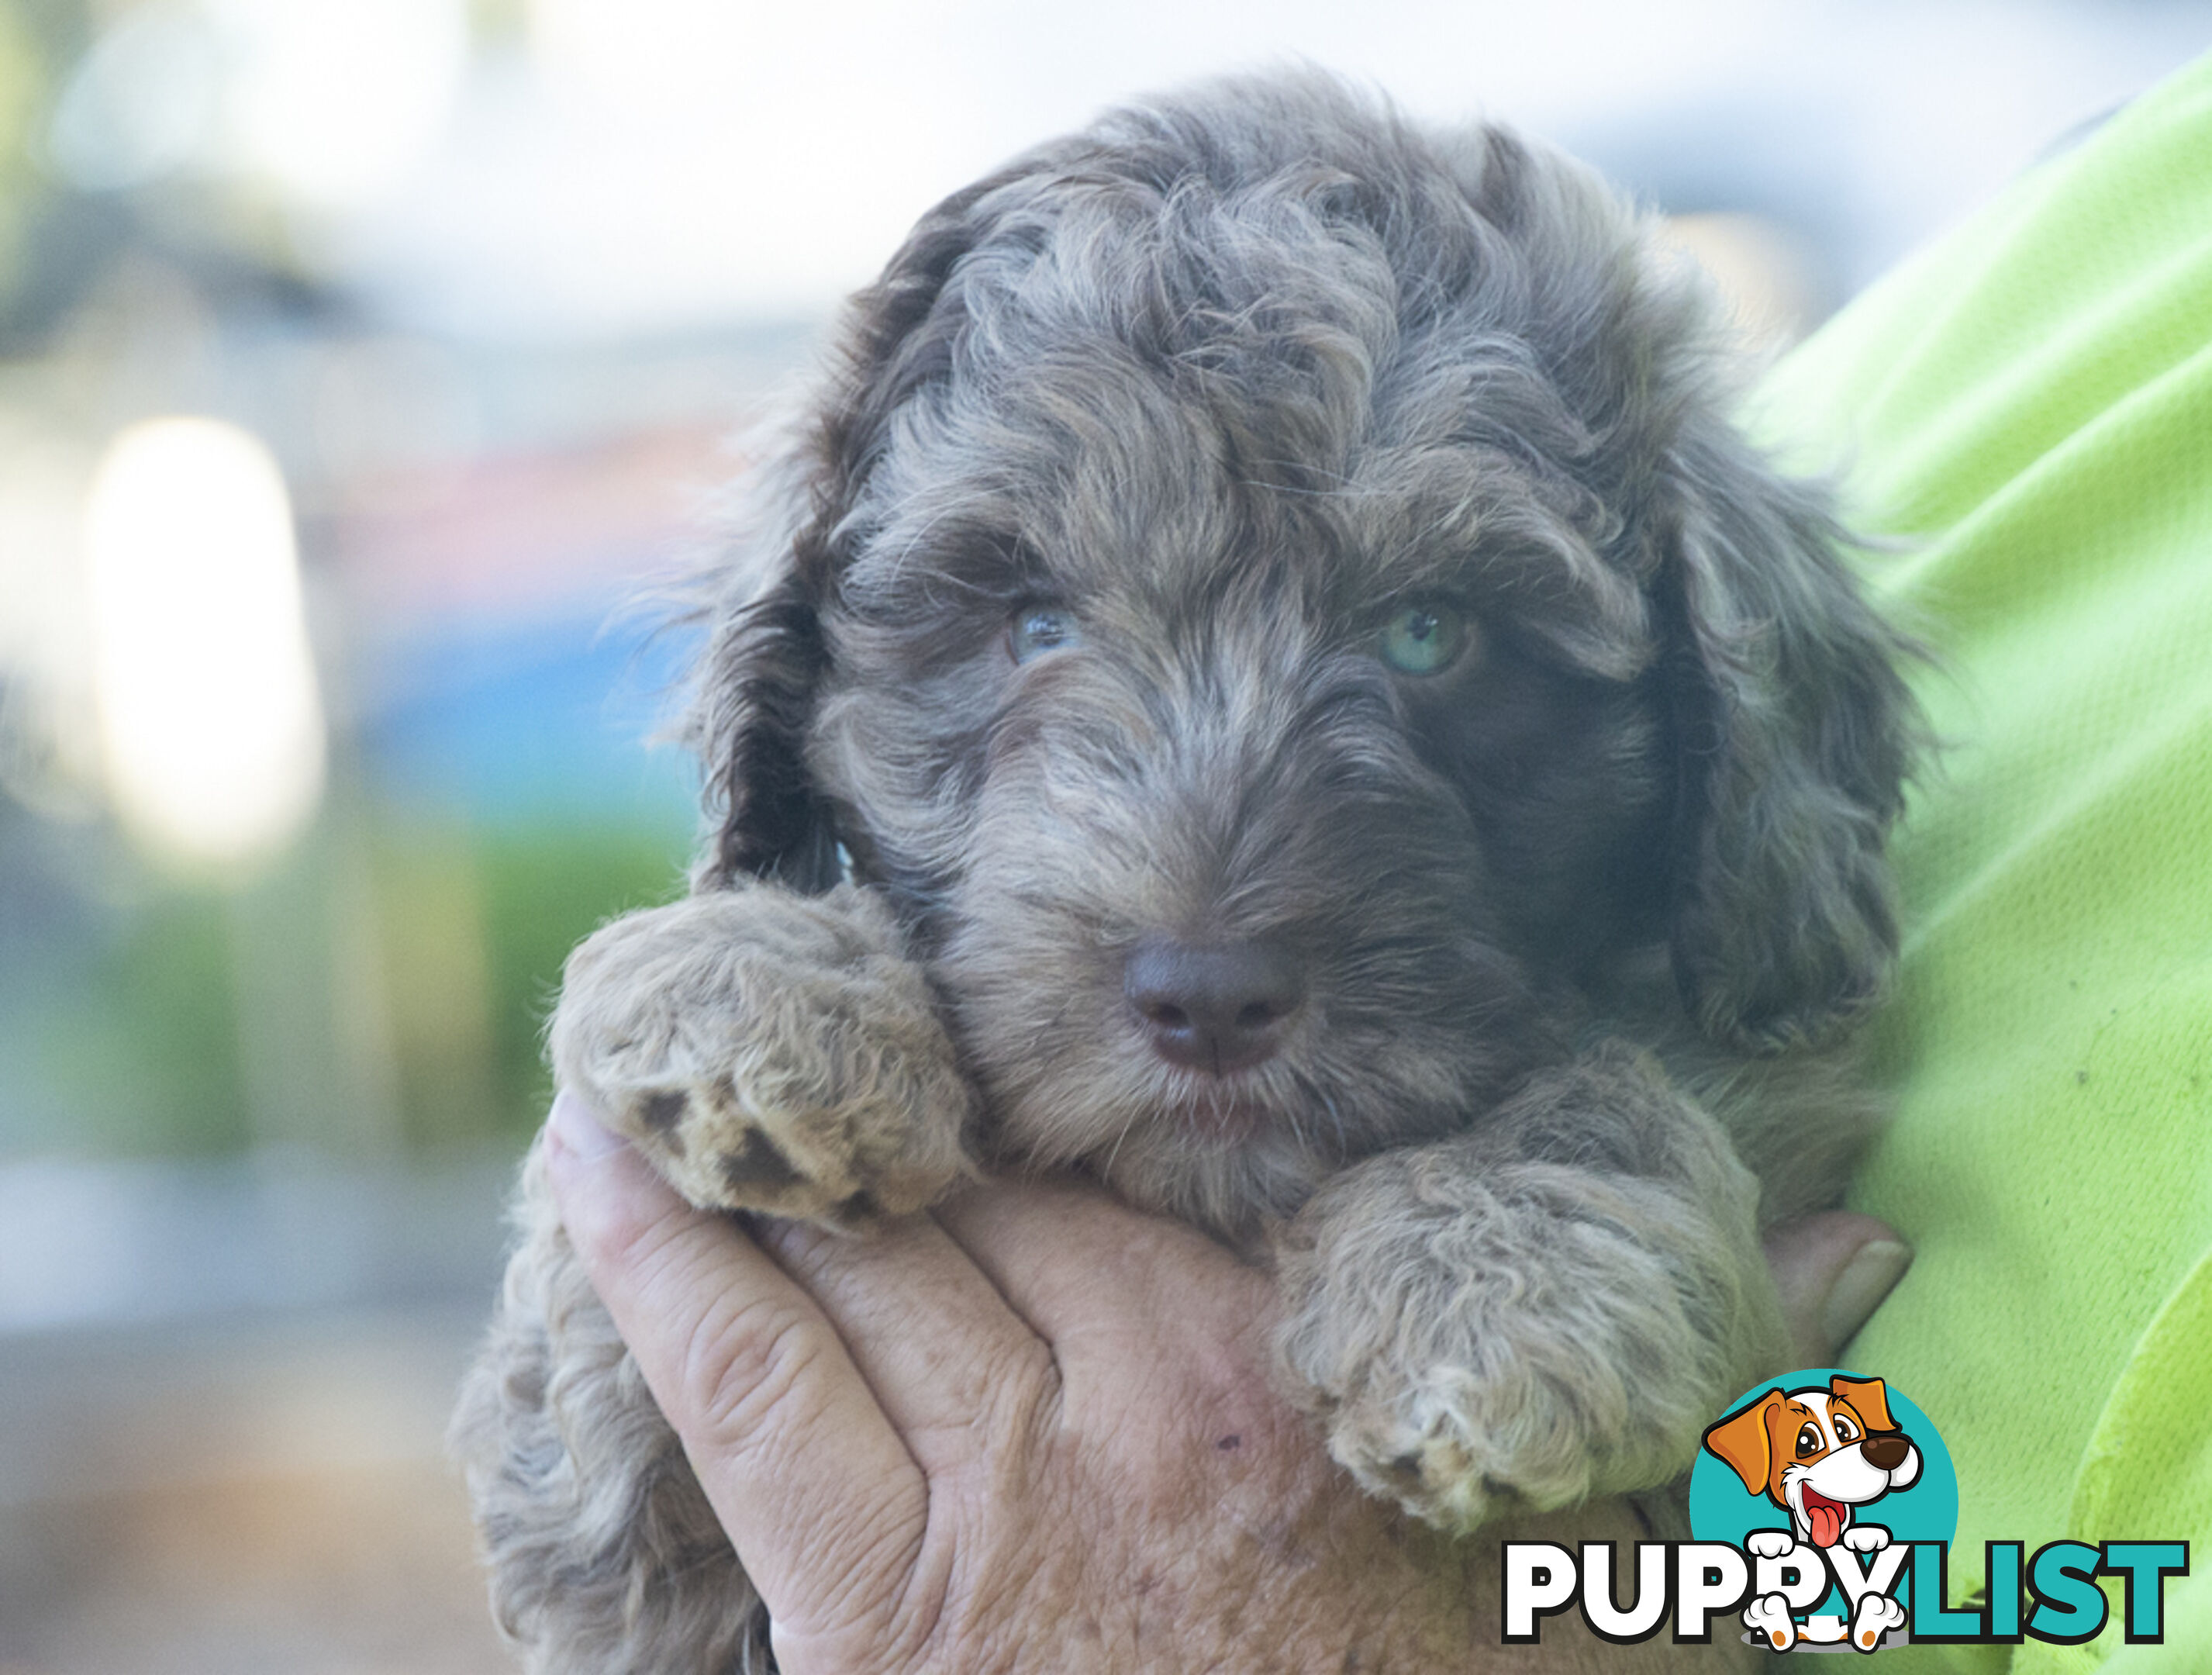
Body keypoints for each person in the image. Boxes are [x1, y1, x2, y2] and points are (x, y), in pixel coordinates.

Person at [547, 46, 2212, 1673]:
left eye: (1429, 638)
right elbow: (584, 1529)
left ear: (1720, 710)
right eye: (1031, 627)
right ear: (791, 692)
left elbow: (1775, 1047)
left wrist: (1589, 1172)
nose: (1198, 912)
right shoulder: (2037, 285)